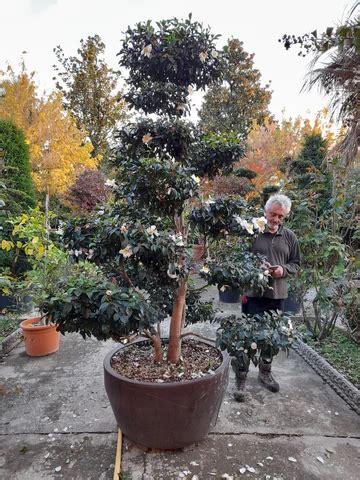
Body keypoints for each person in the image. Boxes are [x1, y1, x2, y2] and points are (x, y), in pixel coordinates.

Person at [232, 194, 300, 402]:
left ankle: (265, 372)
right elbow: (236, 259)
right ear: (265, 212)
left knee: (270, 337)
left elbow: (296, 263)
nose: (276, 219)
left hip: (277, 295)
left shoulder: (289, 237)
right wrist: (253, 267)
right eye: (273, 214)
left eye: (281, 216)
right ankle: (241, 376)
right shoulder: (252, 233)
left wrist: (283, 269)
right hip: (253, 294)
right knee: (247, 335)